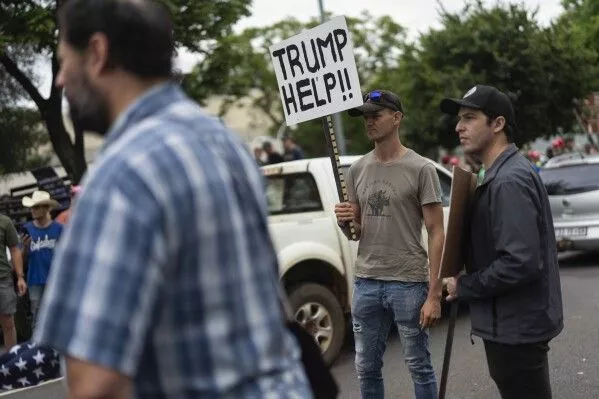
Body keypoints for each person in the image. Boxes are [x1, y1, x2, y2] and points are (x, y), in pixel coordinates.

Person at [33, 1, 312, 398]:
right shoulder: (223, 142)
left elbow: (95, 384)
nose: (60, 79)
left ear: (97, 53)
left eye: (64, 61)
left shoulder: (123, 173)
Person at [440, 84, 563, 399]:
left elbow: (519, 261)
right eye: (459, 118)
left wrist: (464, 286)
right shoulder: (498, 173)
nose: (459, 127)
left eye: (469, 118)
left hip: (516, 328)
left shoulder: (508, 181)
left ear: (498, 124)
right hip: (512, 323)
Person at [335, 89, 445, 399]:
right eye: (365, 117)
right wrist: (346, 223)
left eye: (376, 115)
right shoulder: (357, 169)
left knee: (419, 366)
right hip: (367, 280)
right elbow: (356, 233)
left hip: (408, 283)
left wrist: (434, 294)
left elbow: (437, 232)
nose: (368, 122)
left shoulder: (421, 168)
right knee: (366, 368)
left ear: (396, 118)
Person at [20, 191, 62, 328]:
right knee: (37, 320)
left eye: (36, 207)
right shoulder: (27, 229)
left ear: (46, 208)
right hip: (35, 280)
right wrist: (25, 247)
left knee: (57, 318)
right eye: (32, 207)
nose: (32, 210)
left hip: (56, 280)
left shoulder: (59, 229)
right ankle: (38, 348)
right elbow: (22, 260)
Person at [0, 215, 27, 350]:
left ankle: (10, 363)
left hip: (3, 279)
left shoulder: (5, 222)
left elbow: (15, 250)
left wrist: (20, 277)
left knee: (8, 323)